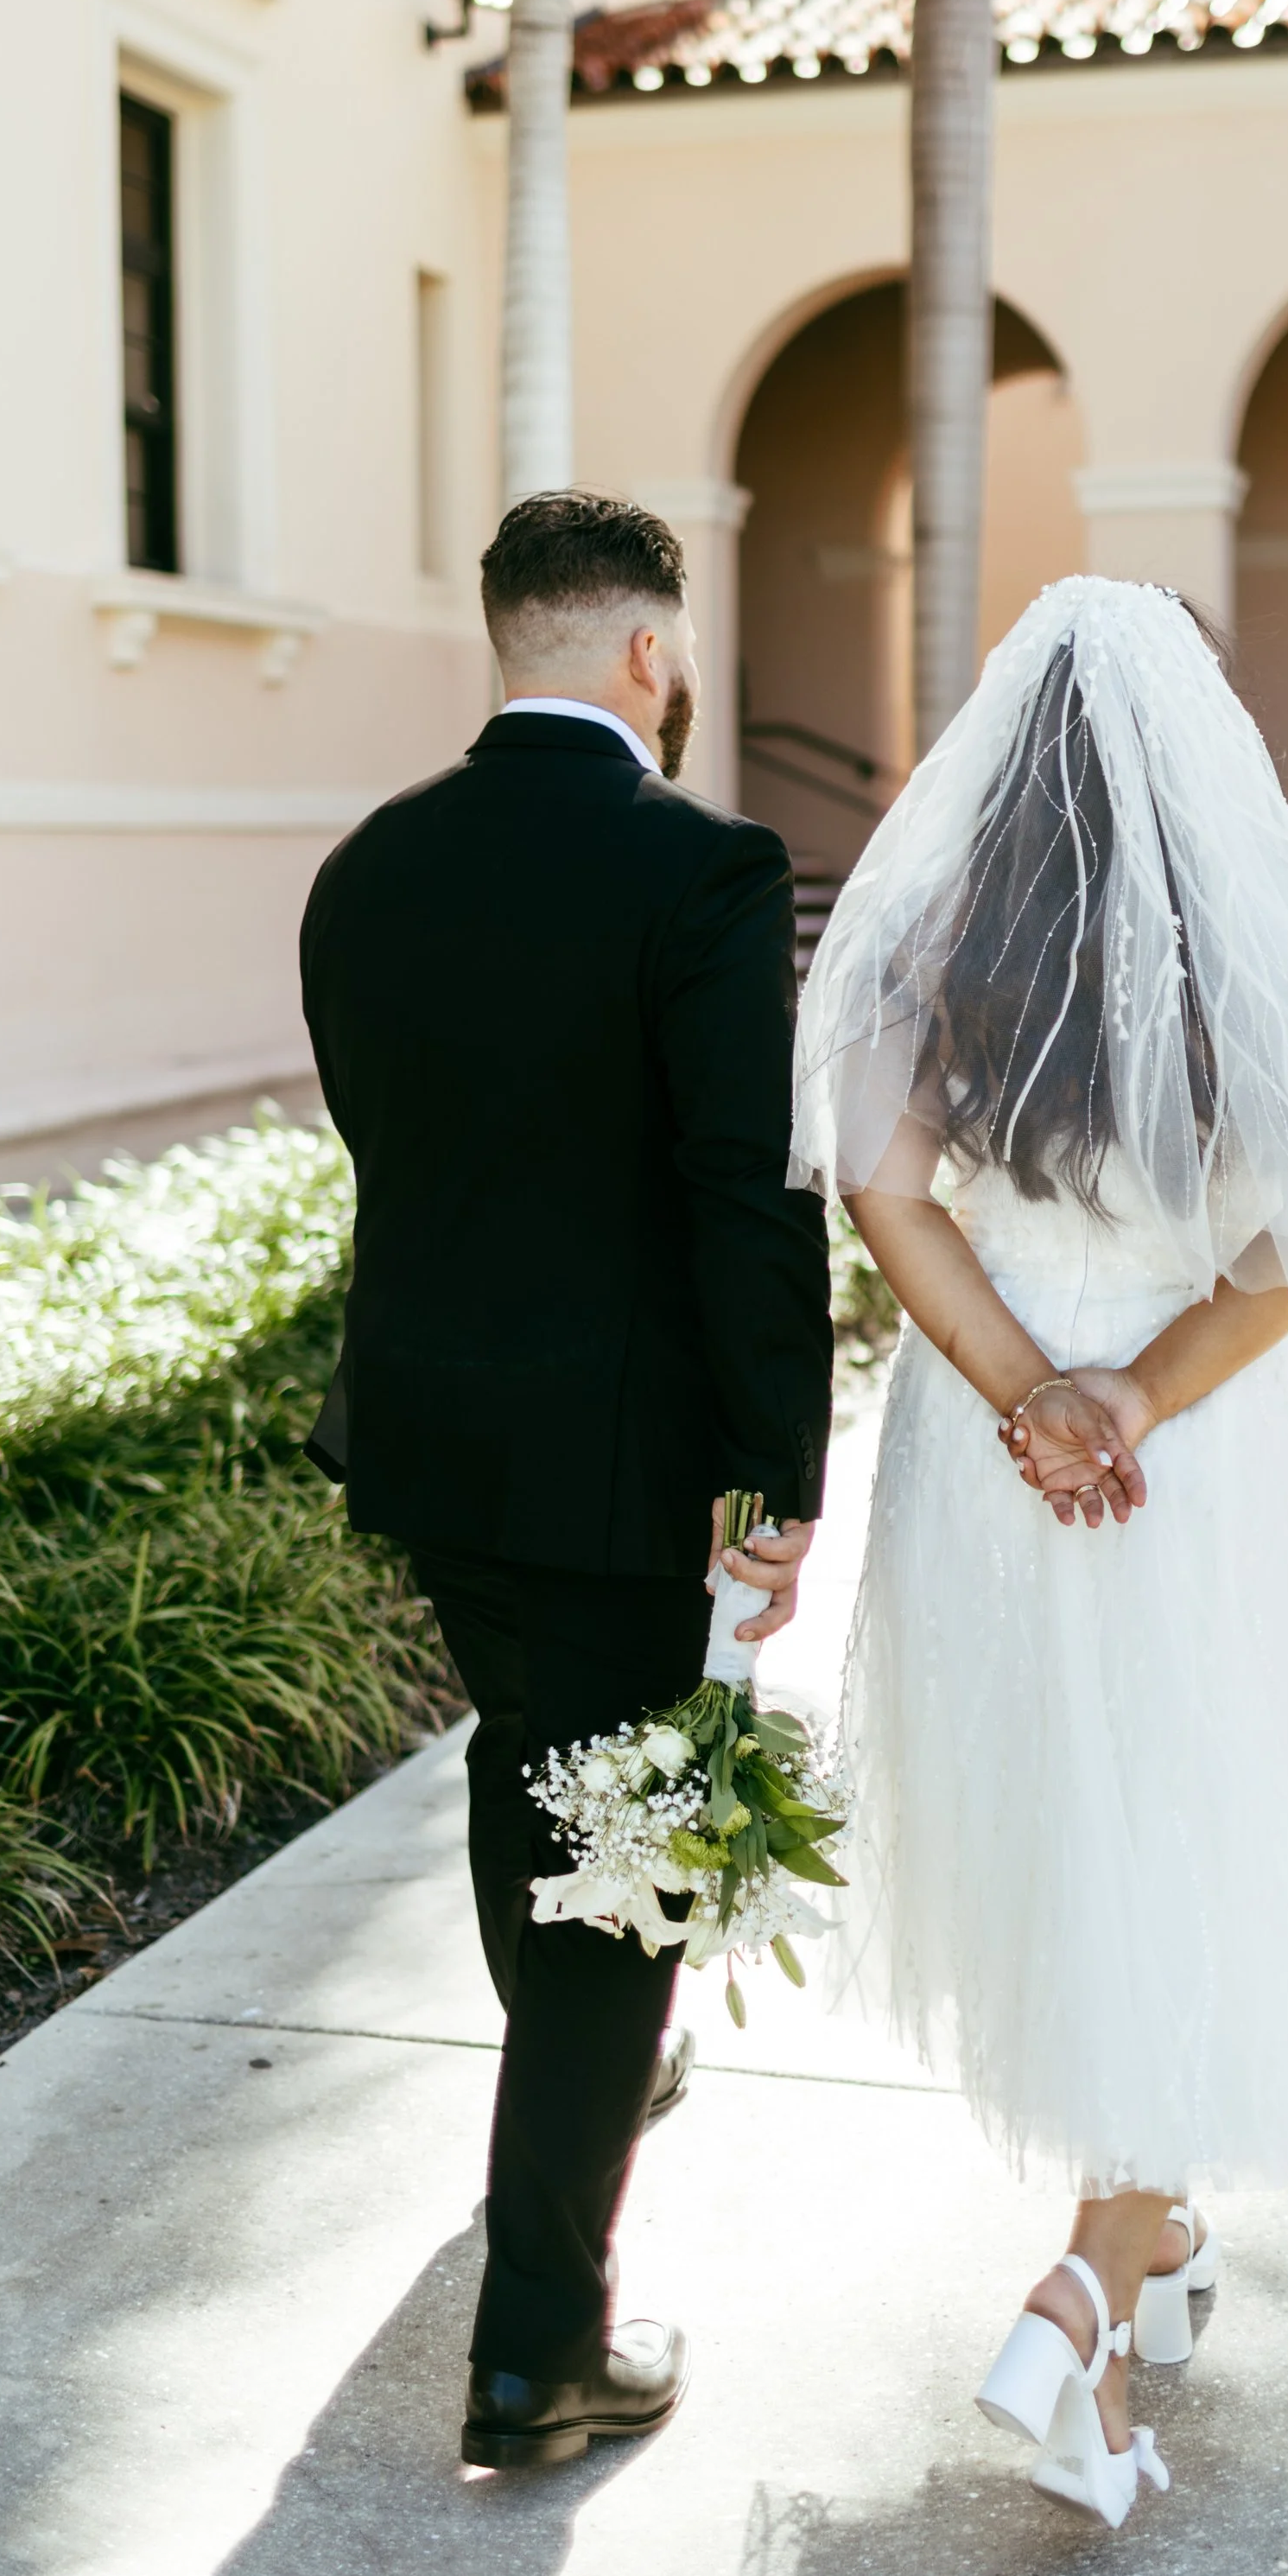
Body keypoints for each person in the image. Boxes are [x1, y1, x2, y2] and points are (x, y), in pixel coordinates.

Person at [790, 575, 1288, 2529]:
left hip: (994, 1458)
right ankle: (1092, 2278)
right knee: (1189, 1833)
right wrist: (1138, 1397)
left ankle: (1143, 2247)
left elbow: (883, 1190)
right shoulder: (1246, 932)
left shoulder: (928, 936)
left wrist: (1029, 1394)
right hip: (1203, 1453)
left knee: (1079, 1837)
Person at [301, 491, 833, 2470]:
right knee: (626, 1868)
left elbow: (399, 1148)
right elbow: (740, 1196)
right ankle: (539, 2349)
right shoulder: (696, 866)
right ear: (641, 650)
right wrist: (774, 1466)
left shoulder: (367, 869)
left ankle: (586, 2088)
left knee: (521, 1761)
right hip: (619, 1468)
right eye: (675, 650)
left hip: (435, 1446)